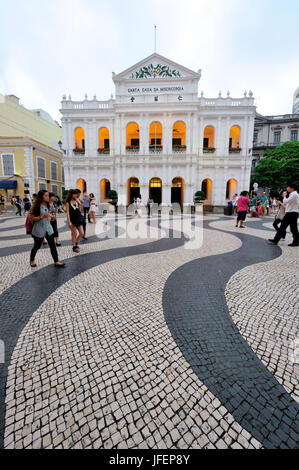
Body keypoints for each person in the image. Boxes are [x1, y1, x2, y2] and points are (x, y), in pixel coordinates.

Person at [29, 190, 65, 268]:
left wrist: (50, 216)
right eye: (46, 196)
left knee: (53, 245)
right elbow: (31, 218)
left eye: (48, 195)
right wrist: (42, 217)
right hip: (39, 229)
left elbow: (46, 214)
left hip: (48, 228)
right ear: (41, 197)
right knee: (37, 246)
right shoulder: (35, 206)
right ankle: (32, 260)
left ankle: (56, 261)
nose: (48, 197)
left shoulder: (47, 205)